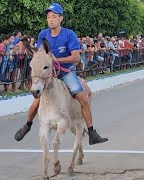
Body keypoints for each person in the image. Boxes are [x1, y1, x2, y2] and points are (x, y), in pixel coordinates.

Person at [14, 3, 108, 145]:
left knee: (82, 97)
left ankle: (92, 132)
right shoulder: (43, 34)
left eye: (54, 16)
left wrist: (58, 60)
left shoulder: (69, 34)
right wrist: (28, 48)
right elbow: (40, 54)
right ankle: (27, 125)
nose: (50, 19)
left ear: (60, 18)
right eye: (48, 17)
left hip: (65, 72)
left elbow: (76, 58)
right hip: (49, 74)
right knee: (36, 102)